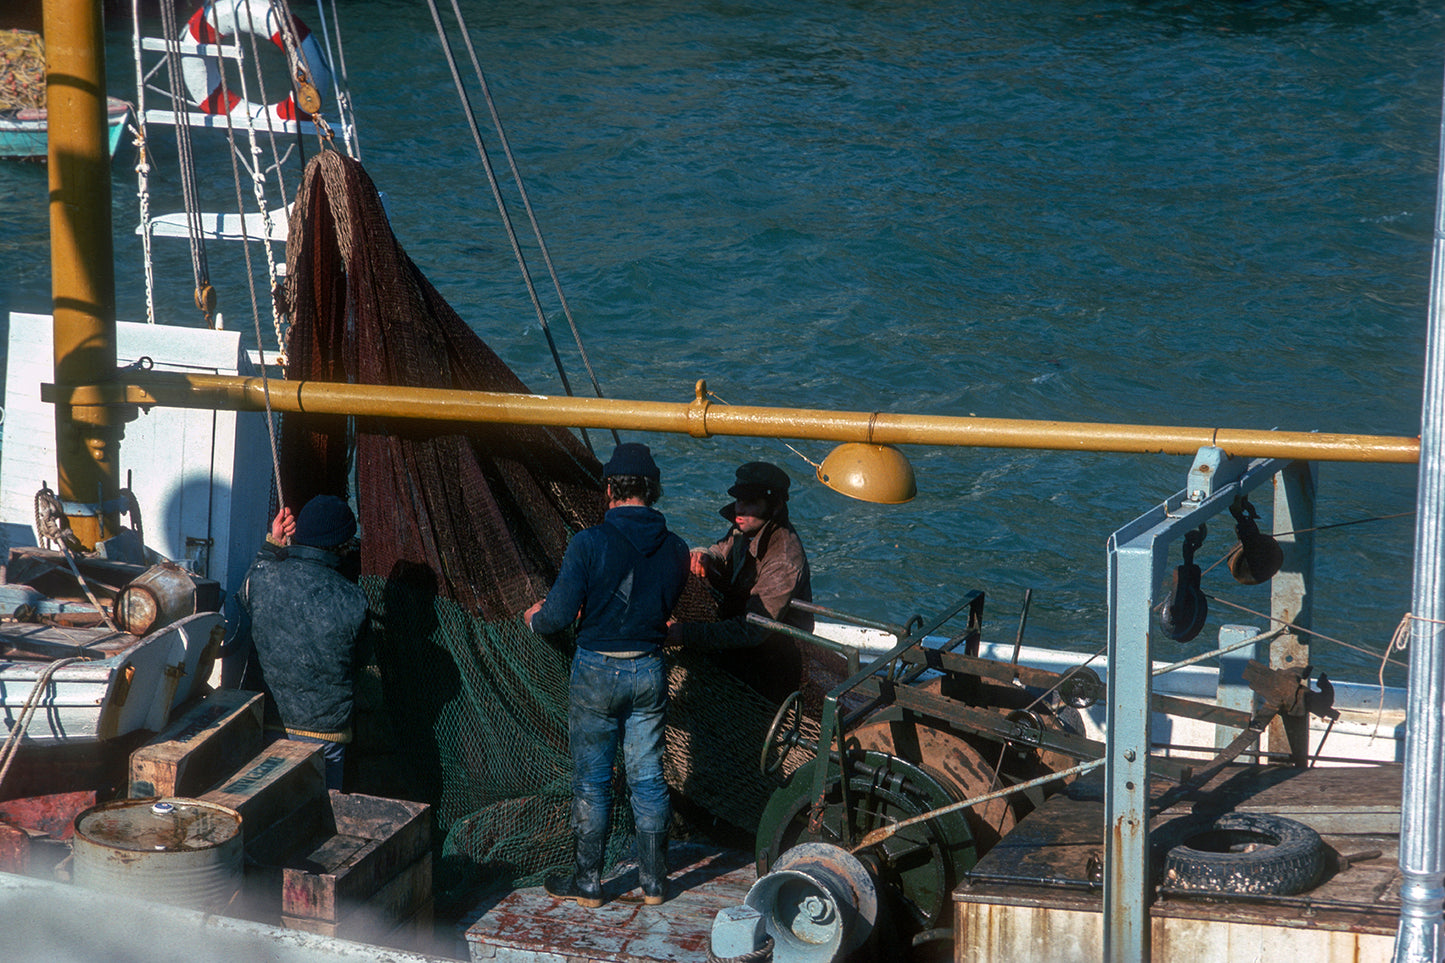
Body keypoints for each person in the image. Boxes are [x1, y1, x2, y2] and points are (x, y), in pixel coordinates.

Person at [524, 443, 689, 908]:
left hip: (596, 669)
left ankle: (590, 885)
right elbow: (659, 606)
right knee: (648, 777)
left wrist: (534, 619)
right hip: (650, 670)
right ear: (652, 491)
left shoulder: (587, 542)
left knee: (593, 781)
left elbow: (555, 615)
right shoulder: (676, 548)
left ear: (611, 489)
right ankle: (655, 884)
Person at [236, 494, 369, 791]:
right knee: (318, 816)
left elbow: (245, 593)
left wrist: (273, 544)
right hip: (325, 733)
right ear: (344, 545)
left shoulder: (262, 577)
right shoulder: (354, 599)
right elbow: (358, 662)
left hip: (267, 721)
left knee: (263, 807)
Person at [668, 461, 814, 704]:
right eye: (739, 500)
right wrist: (704, 555)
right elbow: (720, 550)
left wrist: (683, 633)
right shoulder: (748, 527)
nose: (740, 509)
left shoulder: (784, 560)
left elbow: (752, 631)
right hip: (741, 631)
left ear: (775, 506)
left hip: (770, 660)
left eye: (751, 502)